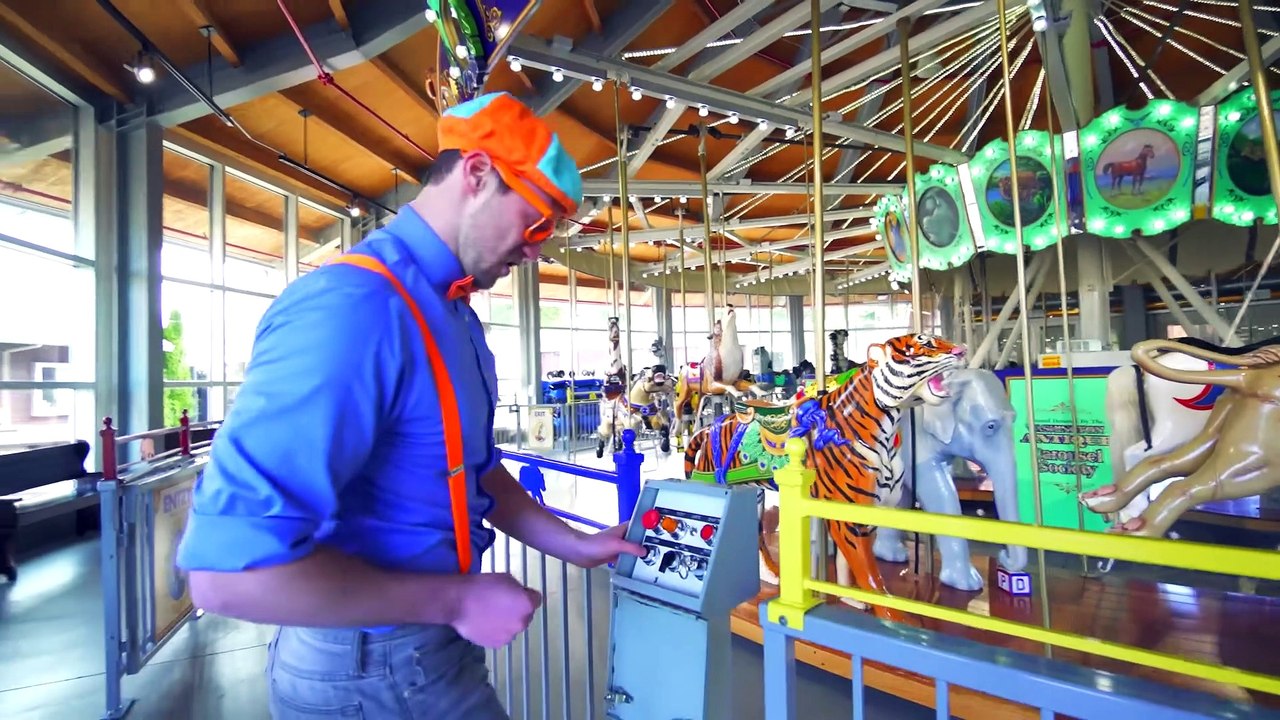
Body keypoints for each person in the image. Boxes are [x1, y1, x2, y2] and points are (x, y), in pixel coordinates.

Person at [175, 92, 645, 720]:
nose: (537, 251)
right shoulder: (355, 308)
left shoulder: (449, 311)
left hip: (424, 648)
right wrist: (453, 601)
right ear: (477, 174)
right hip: (367, 667)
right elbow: (225, 573)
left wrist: (574, 543)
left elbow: (468, 467)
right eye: (536, 223)